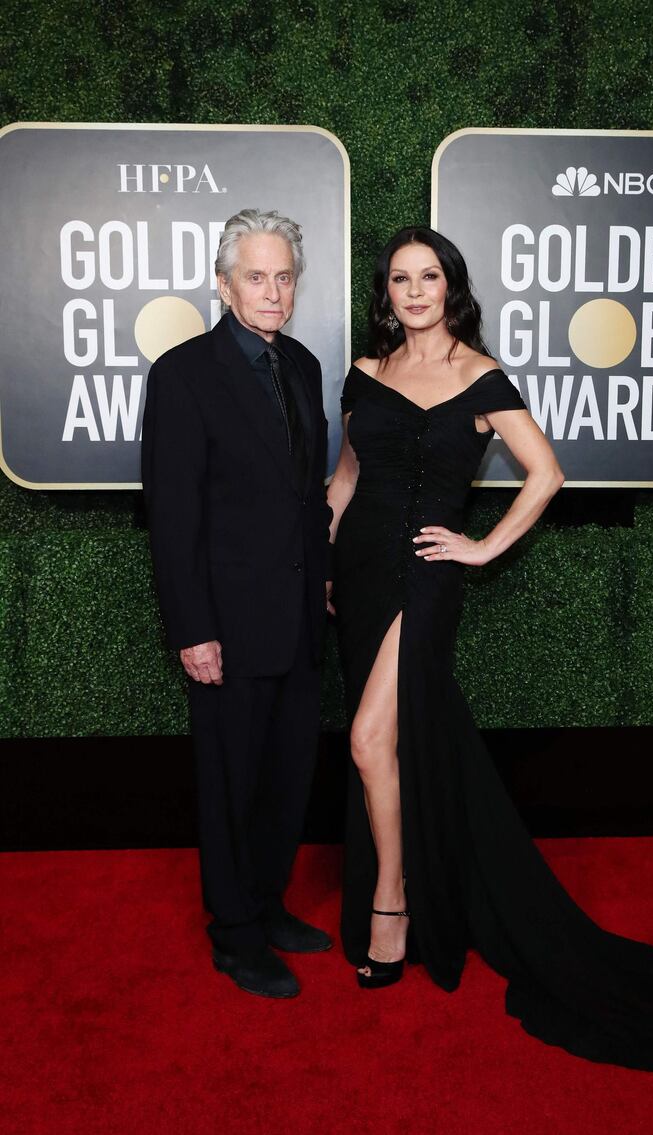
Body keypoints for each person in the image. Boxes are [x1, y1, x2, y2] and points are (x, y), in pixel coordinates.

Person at [326, 225, 653, 1069]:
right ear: (384, 292)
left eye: (430, 277)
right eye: (400, 278)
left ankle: (394, 901)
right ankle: (414, 875)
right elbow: (348, 476)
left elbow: (547, 472)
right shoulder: (367, 373)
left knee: (366, 738)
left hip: (424, 574)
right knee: (391, 741)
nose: (414, 291)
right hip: (355, 573)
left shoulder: (481, 376)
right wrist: (326, 556)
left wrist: (482, 546)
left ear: (450, 287)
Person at [141, 209, 334, 999]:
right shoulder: (185, 373)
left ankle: (267, 903)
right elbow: (172, 513)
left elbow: (304, 495)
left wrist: (320, 578)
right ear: (223, 284)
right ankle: (234, 932)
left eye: (284, 276)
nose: (273, 291)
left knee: (288, 775)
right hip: (225, 623)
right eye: (256, 276)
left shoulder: (305, 366)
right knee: (229, 782)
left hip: (298, 617)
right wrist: (193, 629)